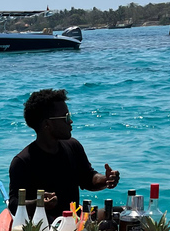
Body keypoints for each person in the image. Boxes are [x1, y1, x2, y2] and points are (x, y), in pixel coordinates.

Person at [8, 88, 119, 222]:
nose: (70, 121)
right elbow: (14, 205)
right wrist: (39, 202)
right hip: (45, 229)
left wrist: (105, 179)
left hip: (74, 222)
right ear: (47, 125)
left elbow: (88, 178)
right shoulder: (23, 162)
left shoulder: (73, 146)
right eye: (66, 117)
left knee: (122, 213)